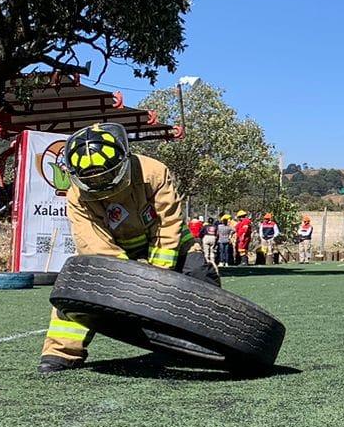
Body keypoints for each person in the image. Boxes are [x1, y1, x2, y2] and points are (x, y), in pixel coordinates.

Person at [38, 123, 218, 372]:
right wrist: (129, 276)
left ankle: (212, 345)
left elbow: (167, 226)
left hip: (173, 245)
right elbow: (95, 245)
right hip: (117, 251)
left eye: (106, 174)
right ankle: (61, 352)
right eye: (93, 178)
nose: (101, 183)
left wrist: (156, 273)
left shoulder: (153, 172)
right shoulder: (77, 196)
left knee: (201, 276)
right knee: (79, 288)